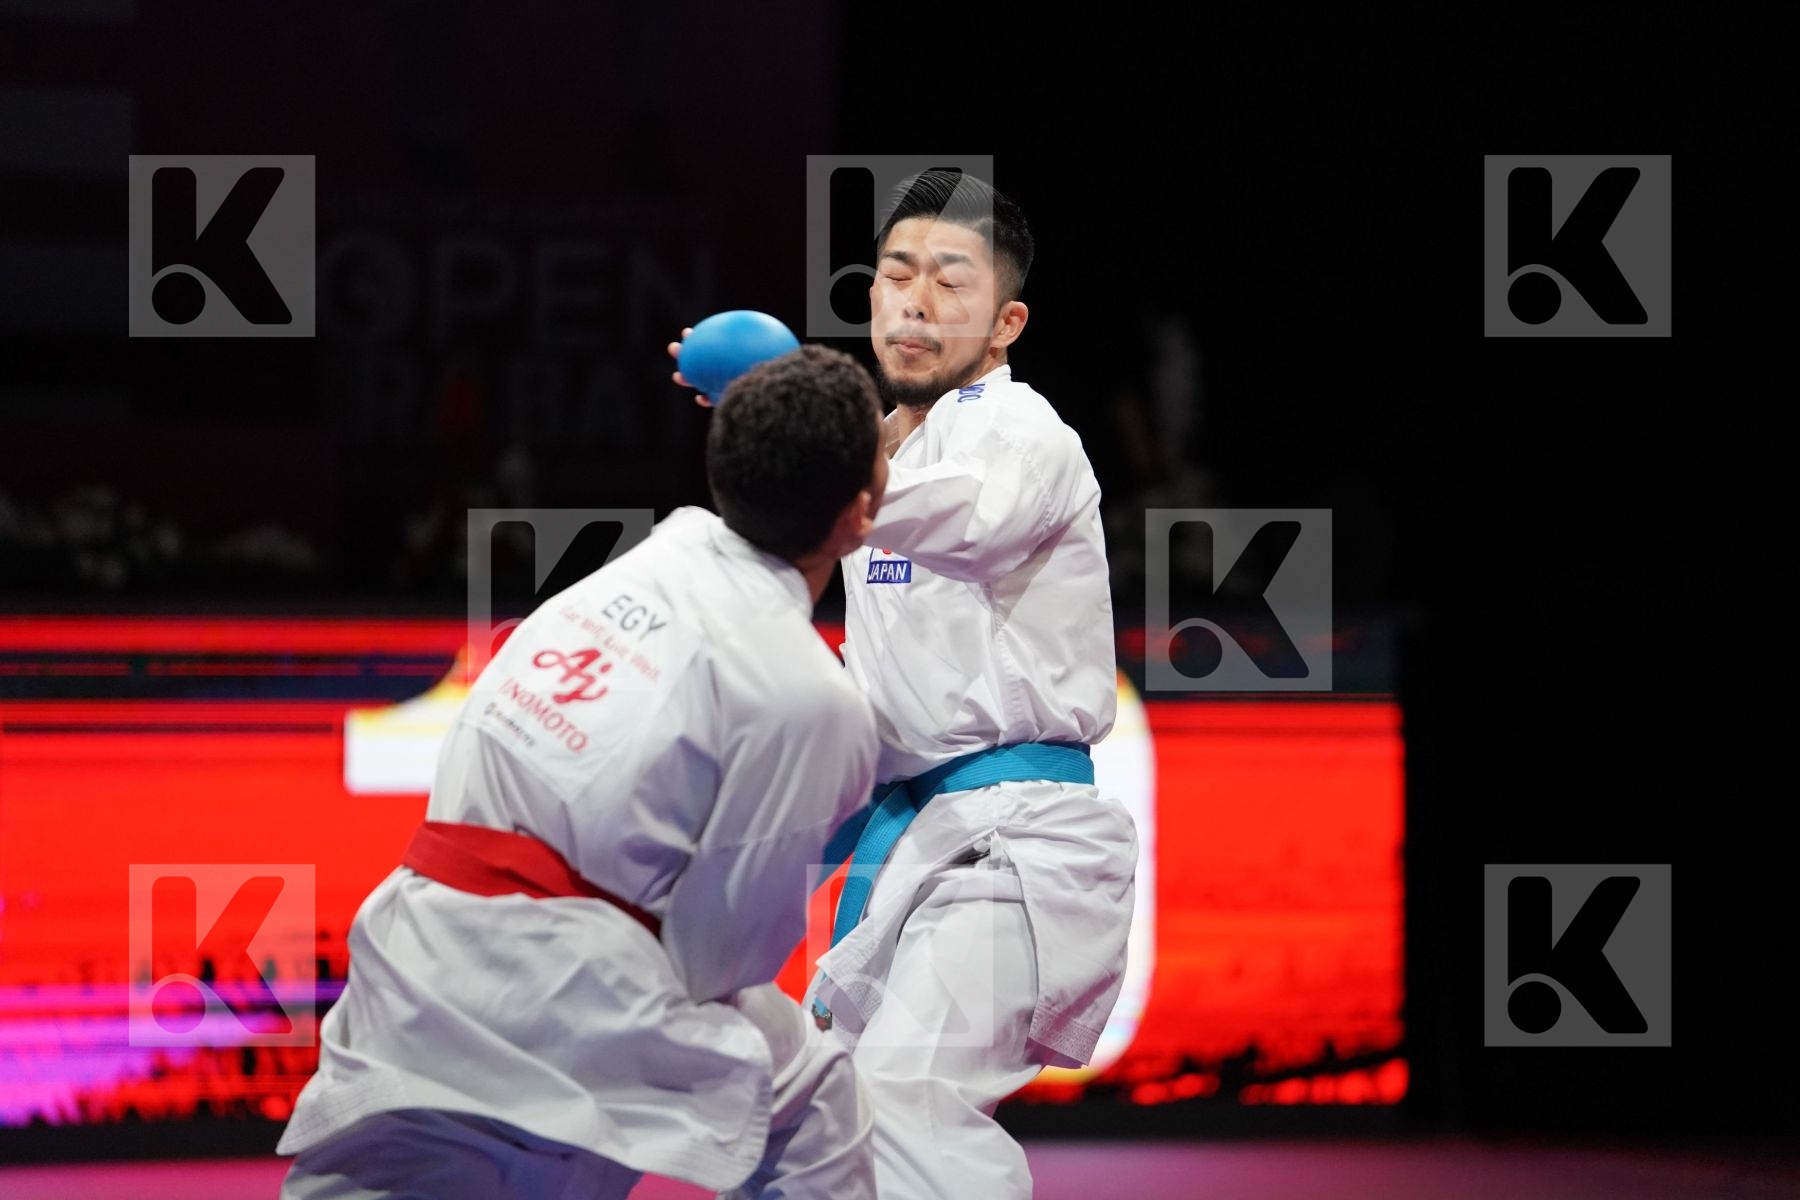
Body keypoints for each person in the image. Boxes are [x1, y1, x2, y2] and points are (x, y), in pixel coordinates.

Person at [278, 345, 890, 1200]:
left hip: (407, 963)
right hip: (569, 1007)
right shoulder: (812, 696)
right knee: (807, 1094)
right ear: (861, 514)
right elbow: (723, 958)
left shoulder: (632, 569)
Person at [672, 170, 1139, 1199]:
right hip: (916, 838)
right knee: (812, 1131)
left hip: (1019, 841)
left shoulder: (1022, 434)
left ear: (1006, 322)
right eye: (895, 275)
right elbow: (865, 698)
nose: (915, 302)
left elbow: (970, 522)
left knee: (909, 1099)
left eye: (950, 281)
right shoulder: (882, 458)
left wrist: (796, 423)